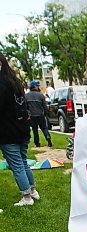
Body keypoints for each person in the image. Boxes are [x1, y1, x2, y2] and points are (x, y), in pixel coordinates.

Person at [0, 52, 39, 206]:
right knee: (22, 162)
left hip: (9, 132)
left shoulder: (2, 85)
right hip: (22, 129)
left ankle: (27, 197)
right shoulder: (15, 82)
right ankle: (33, 190)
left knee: (17, 165)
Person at [25, 80, 52, 148]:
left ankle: (37, 143)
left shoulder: (26, 96)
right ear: (34, 86)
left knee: (35, 130)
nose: (38, 87)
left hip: (32, 116)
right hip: (40, 115)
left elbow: (26, 107)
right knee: (44, 128)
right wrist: (46, 113)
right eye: (37, 86)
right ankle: (48, 137)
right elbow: (45, 106)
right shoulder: (41, 95)